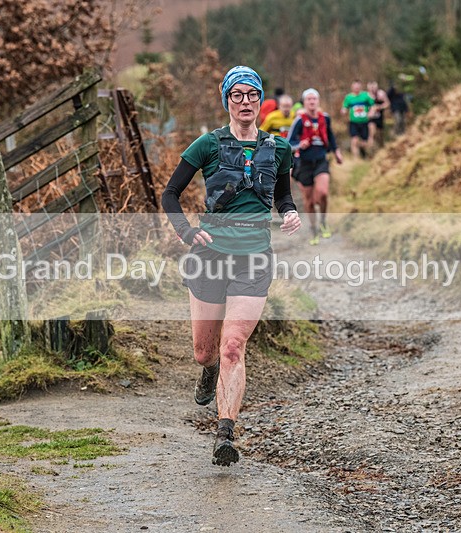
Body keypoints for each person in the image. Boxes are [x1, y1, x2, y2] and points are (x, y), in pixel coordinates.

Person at [161, 66, 302, 466]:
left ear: (260, 101)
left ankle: (225, 433)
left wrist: (290, 214)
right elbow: (170, 194)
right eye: (237, 95)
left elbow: (283, 196)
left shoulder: (278, 149)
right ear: (227, 100)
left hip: (254, 258)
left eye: (252, 95)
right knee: (205, 352)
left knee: (233, 346)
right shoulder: (207, 144)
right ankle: (208, 372)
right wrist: (186, 232)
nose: (245, 102)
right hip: (209, 256)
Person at [288, 88, 343, 245]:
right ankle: (313, 229)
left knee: (323, 193)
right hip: (304, 163)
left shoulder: (324, 118)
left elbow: (331, 137)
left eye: (314, 99)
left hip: (320, 160)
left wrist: (337, 152)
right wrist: (299, 145)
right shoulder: (299, 120)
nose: (312, 102)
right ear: (304, 103)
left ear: (318, 101)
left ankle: (323, 221)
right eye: (308, 99)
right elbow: (289, 143)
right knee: (309, 201)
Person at [340, 80, 375, 158]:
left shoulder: (365, 95)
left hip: (364, 122)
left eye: (358, 87)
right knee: (354, 140)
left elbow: (373, 105)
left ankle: (365, 155)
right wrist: (343, 111)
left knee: (364, 142)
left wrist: (371, 112)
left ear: (360, 87)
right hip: (353, 122)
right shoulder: (349, 97)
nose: (356, 88)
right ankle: (356, 158)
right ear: (352, 87)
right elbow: (345, 107)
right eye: (355, 87)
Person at [367, 81, 390, 149]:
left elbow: (387, 104)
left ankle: (381, 147)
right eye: (371, 88)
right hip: (371, 118)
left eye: (374, 88)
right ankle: (370, 149)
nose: (373, 90)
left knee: (380, 134)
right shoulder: (366, 96)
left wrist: (380, 107)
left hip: (379, 117)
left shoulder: (381, 94)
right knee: (372, 132)